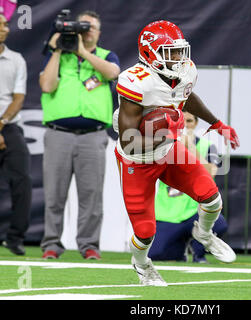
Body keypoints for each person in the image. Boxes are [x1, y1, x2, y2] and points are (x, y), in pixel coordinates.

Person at [113, 20, 239, 286]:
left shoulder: (186, 70)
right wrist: (167, 132)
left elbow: (186, 94)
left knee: (212, 199)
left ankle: (204, 235)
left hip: (168, 150)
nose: (178, 57)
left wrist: (216, 123)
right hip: (138, 160)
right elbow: (127, 141)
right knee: (145, 234)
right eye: (170, 52)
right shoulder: (136, 82)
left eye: (180, 50)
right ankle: (141, 263)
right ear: (150, 52)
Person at [39, 11, 120, 260]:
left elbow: (113, 73)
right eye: (82, 27)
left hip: (92, 136)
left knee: (91, 195)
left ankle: (89, 246)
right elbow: (46, 85)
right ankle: (52, 244)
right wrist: (56, 50)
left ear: (98, 31)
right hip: (58, 135)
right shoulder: (59, 56)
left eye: (91, 27)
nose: (87, 31)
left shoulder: (106, 55)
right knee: (54, 194)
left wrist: (83, 53)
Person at [149, 112, 228, 263]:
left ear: (196, 124)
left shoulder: (206, 146)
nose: (185, 125)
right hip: (168, 212)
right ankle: (179, 248)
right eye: (181, 121)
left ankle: (198, 252)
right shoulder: (161, 145)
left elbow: (210, 173)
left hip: (194, 211)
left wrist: (190, 147)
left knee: (219, 224)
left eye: (190, 121)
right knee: (157, 254)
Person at [0, 13, 31, 256]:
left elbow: (18, 98)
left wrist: (1, 124)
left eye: (6, 24)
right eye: (0, 25)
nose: (5, 28)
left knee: (22, 181)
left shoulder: (16, 59)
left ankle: (15, 237)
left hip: (8, 126)